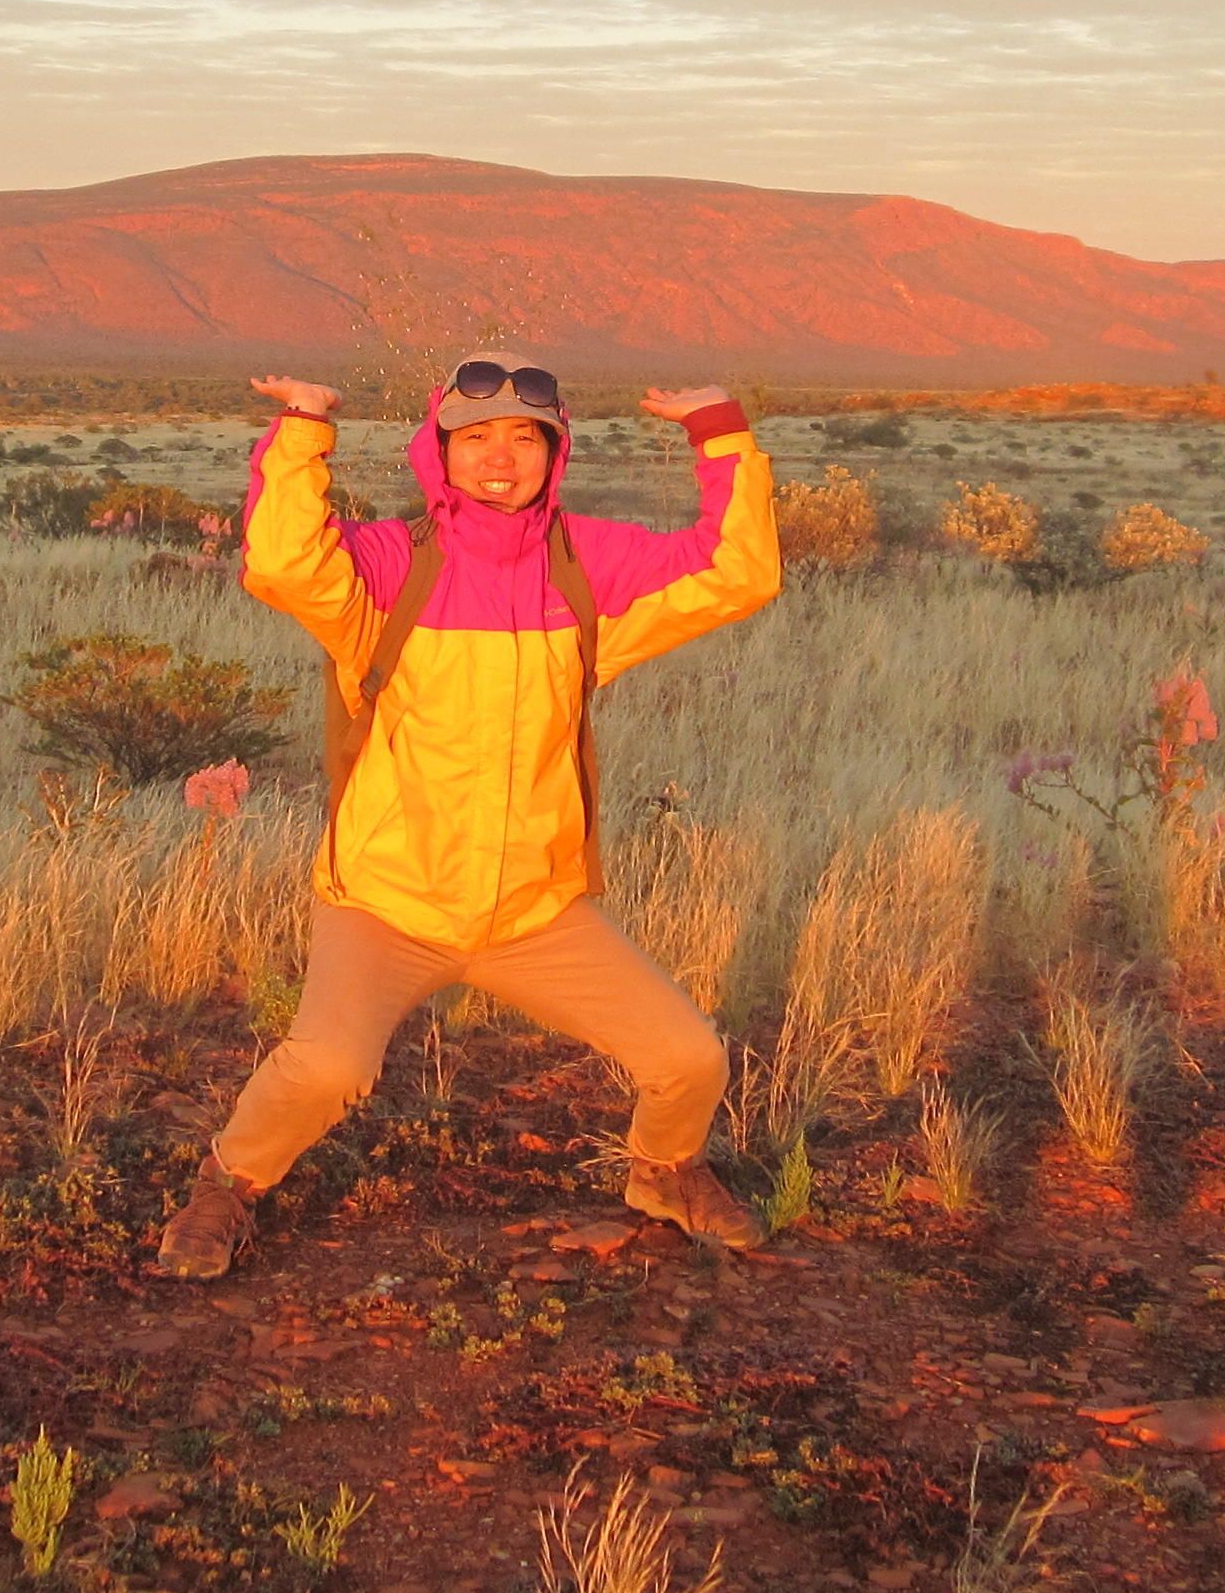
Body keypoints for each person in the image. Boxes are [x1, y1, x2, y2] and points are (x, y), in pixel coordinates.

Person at [153, 353, 783, 1278]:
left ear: (555, 451)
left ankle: (662, 1174)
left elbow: (739, 573)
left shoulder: (589, 567)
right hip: (387, 900)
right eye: (474, 437)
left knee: (688, 1057)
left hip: (534, 910)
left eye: (524, 437)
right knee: (326, 1070)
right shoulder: (387, 565)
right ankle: (227, 1186)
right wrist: (304, 430)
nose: (499, 458)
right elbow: (285, 561)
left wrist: (719, 428)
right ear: (437, 451)